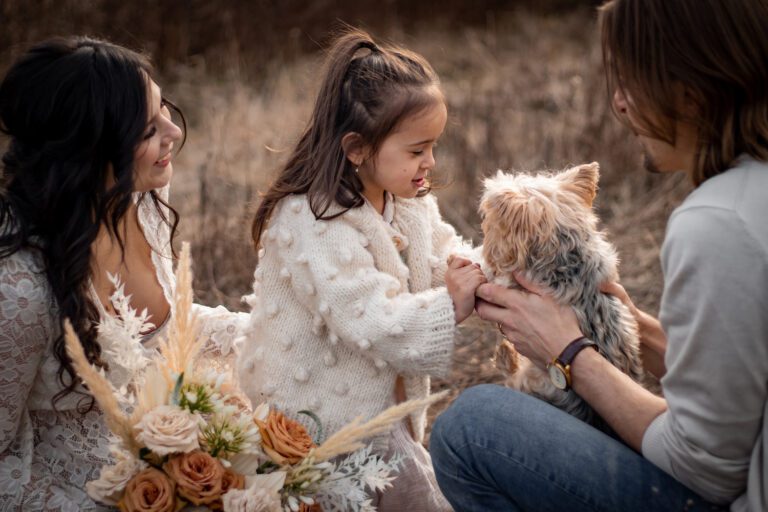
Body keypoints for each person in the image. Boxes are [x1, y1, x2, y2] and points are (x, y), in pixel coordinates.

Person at [429, 0, 768, 511]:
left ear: (692, 92)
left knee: (470, 427)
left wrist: (569, 351)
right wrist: (632, 327)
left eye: (632, 82)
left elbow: (707, 470)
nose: (619, 103)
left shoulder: (717, 222)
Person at [238, 28, 484, 510]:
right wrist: (452, 303)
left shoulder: (407, 201)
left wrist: (478, 270)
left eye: (433, 146)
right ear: (357, 149)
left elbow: (440, 260)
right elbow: (371, 317)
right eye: (417, 150)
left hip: (383, 411)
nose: (430, 162)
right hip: (322, 421)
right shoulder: (311, 220)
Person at [0, 37, 246, 510]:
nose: (173, 132)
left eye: (165, 110)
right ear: (90, 149)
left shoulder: (144, 200)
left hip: (171, 458)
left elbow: (162, 328)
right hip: (74, 493)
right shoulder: (19, 289)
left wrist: (269, 332)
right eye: (148, 128)